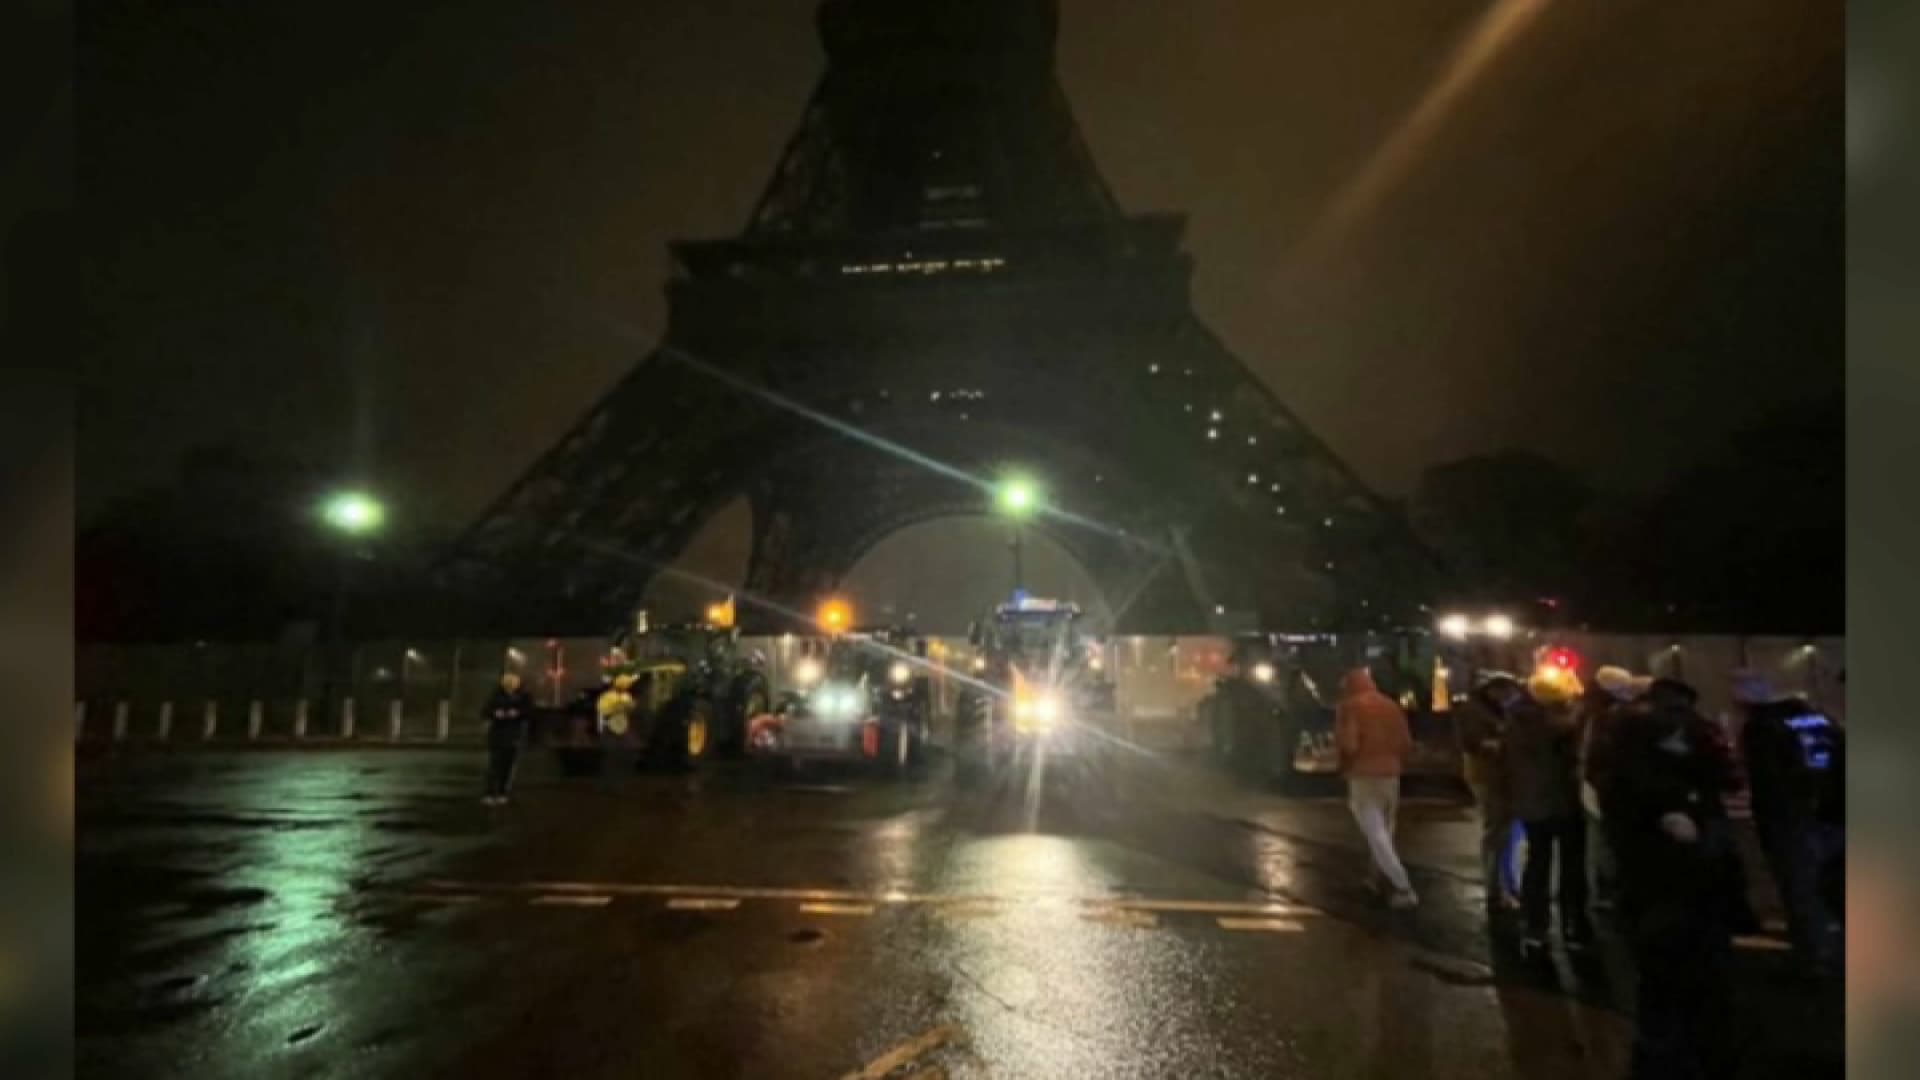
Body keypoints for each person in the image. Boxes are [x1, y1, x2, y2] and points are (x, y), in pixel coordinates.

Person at [1604, 677, 1743, 1080]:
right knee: (1695, 975)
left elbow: (1616, 800)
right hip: (1685, 883)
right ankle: (1699, 1051)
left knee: (1663, 979)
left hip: (1656, 883)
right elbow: (1727, 778)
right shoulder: (1688, 735)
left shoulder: (1628, 736)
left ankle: (1665, 1051)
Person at [1732, 668, 1845, 977]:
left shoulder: (1761, 727)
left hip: (1791, 821)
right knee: (1834, 887)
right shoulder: (1822, 721)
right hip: (1833, 817)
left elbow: (1765, 779)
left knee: (1801, 890)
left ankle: (1816, 958)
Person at [1505, 664, 1591, 957]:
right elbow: (1562, 747)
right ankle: (1573, 925)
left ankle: (1535, 926)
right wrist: (1579, 716)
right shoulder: (1555, 724)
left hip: (1532, 804)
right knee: (1571, 867)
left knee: (1537, 864)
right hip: (1563, 803)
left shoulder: (1516, 719)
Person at [1335, 666, 1418, 910]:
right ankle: (1376, 878)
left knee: (1376, 835)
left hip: (1363, 776)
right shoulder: (1391, 706)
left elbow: (1349, 745)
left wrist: (1343, 766)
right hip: (1391, 776)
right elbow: (1406, 743)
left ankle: (1403, 886)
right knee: (1385, 832)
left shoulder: (1350, 707)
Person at [1453, 672, 1524, 912]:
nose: (1510, 697)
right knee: (1497, 831)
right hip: (1487, 777)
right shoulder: (1475, 712)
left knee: (1505, 832)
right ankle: (1496, 887)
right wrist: (1504, 742)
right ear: (1494, 691)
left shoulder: (1493, 709)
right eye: (1507, 693)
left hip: (1499, 777)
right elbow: (1475, 743)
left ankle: (1505, 883)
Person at [1578, 666, 1643, 911]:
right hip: (1604, 788)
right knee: (1604, 841)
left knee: (1600, 840)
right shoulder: (1607, 718)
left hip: (1597, 786)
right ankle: (1607, 890)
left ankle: (1605, 889)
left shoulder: (1591, 715)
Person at [482, 672, 535, 805]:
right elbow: (485, 711)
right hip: (498, 735)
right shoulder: (496, 696)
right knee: (494, 765)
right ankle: (490, 792)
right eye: (507, 686)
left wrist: (517, 713)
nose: (510, 688)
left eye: (512, 686)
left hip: (513, 735)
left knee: (507, 766)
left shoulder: (523, 697)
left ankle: (502, 792)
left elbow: (529, 712)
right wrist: (495, 713)